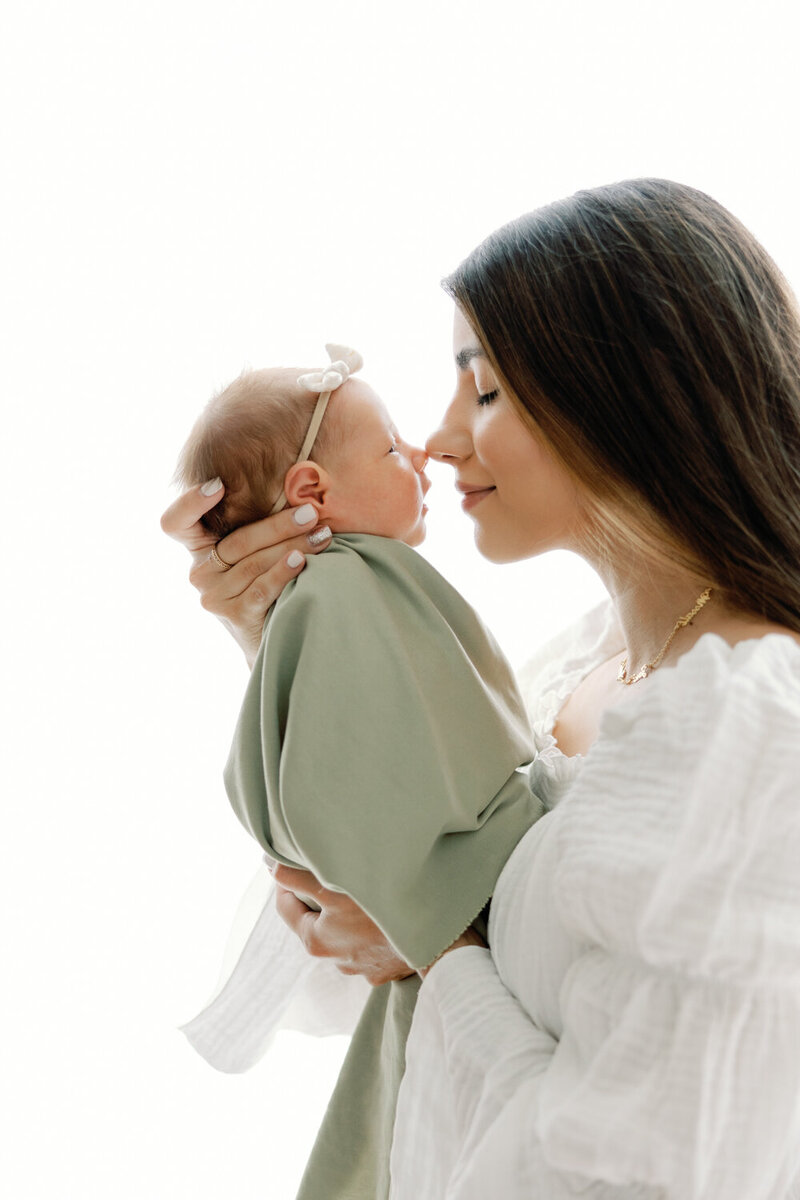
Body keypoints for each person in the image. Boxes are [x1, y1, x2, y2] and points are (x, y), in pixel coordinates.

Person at [162, 178, 800, 1198]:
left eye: (485, 387)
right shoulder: (574, 662)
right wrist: (290, 639)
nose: (438, 437)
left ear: (630, 394)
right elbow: (339, 974)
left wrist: (443, 936)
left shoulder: (745, 727)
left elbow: (624, 1171)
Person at [170, 347, 543, 1200]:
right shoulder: (343, 595)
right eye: (391, 448)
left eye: (486, 391)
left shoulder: (352, 592)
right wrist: (412, 898)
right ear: (310, 495)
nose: (427, 452)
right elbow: (348, 772)